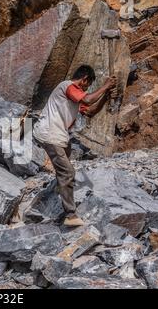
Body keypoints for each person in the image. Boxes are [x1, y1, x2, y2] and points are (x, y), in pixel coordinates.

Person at [33, 65, 117, 227]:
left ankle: (61, 190)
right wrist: (105, 86)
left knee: (65, 165)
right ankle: (70, 215)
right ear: (84, 79)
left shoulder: (74, 95)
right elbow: (87, 99)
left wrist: (106, 95)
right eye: (88, 84)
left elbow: (90, 110)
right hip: (50, 134)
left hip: (58, 135)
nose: (87, 88)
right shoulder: (67, 86)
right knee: (68, 171)